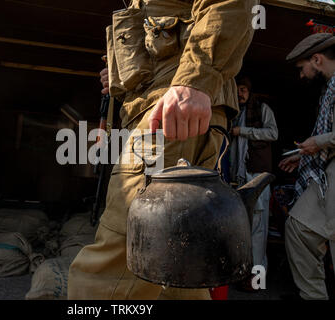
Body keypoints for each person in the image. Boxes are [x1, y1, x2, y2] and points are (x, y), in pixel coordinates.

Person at [68, 0, 259, 300]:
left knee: (121, 254)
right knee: (177, 266)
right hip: (162, 109)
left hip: (170, 115)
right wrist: (119, 81)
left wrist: (194, 82)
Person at [279, 33, 335, 300]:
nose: (301, 76)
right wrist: (305, 154)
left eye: (302, 68)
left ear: (316, 59)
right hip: (329, 173)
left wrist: (319, 142)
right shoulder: (330, 90)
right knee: (298, 229)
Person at [229, 76, 278, 290]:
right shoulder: (233, 113)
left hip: (256, 177)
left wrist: (243, 132)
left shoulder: (262, 109)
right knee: (240, 228)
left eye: (243, 90)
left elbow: (272, 133)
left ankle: (257, 281)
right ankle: (242, 276)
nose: (240, 94)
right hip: (237, 178)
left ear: (249, 91)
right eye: (236, 89)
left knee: (258, 228)